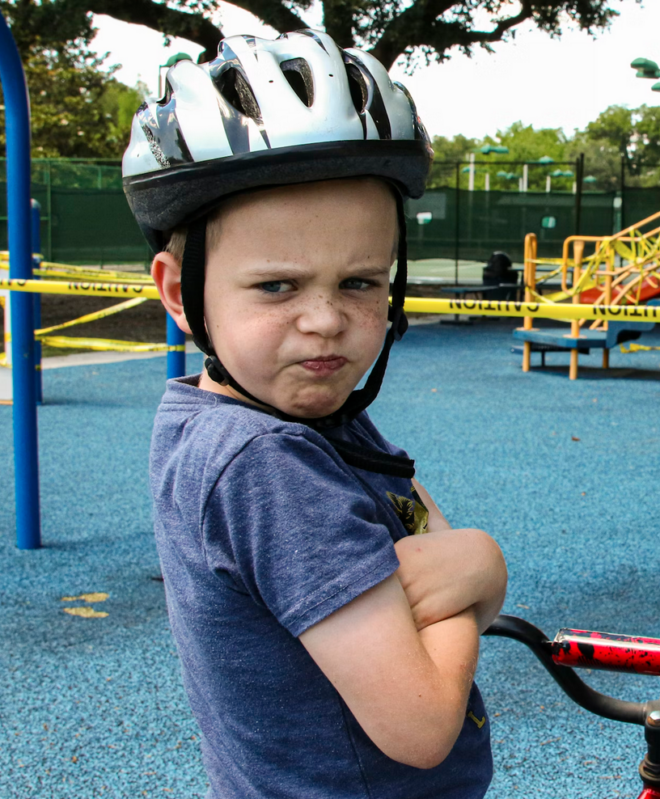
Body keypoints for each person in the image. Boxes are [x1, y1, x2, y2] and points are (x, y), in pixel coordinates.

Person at [124, 31, 507, 798]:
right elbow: (424, 722)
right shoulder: (268, 463)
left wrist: (462, 574)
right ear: (178, 292)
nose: (326, 321)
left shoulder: (312, 413)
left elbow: (428, 547)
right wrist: (483, 569)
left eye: (361, 282)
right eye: (277, 287)